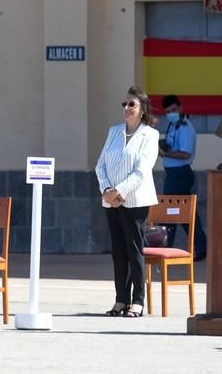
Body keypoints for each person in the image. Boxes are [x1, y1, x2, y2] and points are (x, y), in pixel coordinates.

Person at [95, 86, 159, 318]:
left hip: (135, 199)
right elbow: (100, 164)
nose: (127, 108)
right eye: (124, 104)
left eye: (132, 104)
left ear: (142, 110)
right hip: (111, 200)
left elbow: (142, 170)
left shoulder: (149, 135)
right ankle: (121, 300)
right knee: (118, 252)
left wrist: (119, 191)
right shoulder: (114, 132)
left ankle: (138, 301)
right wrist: (107, 190)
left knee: (134, 250)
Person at [159, 94, 207, 261]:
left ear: (180, 108)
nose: (171, 113)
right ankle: (202, 246)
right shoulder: (173, 126)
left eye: (173, 110)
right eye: (168, 111)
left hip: (180, 173)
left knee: (169, 211)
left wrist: (165, 153)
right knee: (185, 214)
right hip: (173, 173)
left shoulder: (185, 127)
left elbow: (185, 153)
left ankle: (164, 248)